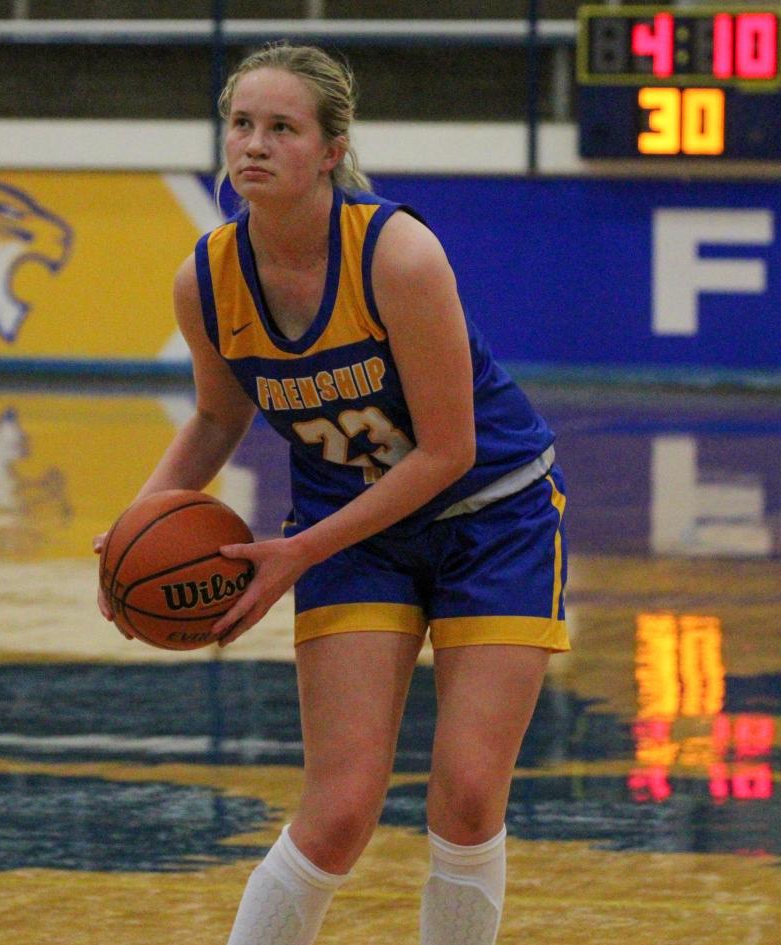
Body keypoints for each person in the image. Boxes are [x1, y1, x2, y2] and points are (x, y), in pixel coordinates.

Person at [94, 42, 569, 945]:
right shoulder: (207, 277)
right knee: (340, 808)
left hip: (493, 516)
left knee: (466, 796)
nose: (255, 145)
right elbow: (213, 419)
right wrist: (130, 533)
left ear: (329, 147)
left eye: (282, 127)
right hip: (353, 533)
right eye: (241, 124)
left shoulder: (399, 253)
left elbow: (446, 451)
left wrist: (294, 554)